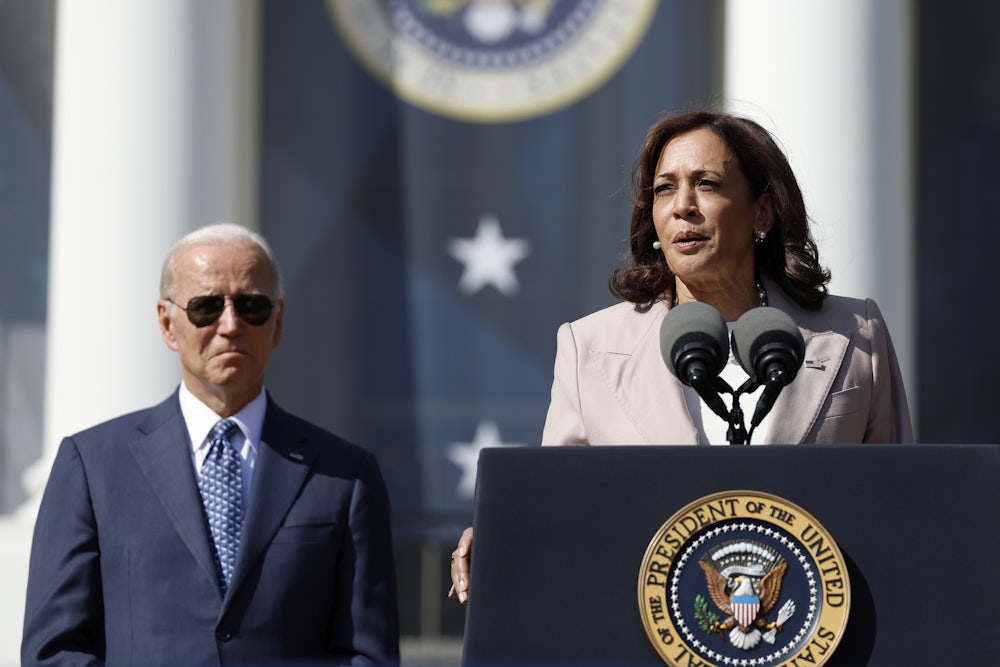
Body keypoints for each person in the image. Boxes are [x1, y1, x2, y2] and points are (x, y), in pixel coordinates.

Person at [448, 109, 913, 603]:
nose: (682, 207)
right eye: (665, 189)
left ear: (762, 211)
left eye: (707, 184)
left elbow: (901, 506)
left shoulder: (855, 333)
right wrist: (508, 536)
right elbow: (561, 509)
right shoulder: (589, 347)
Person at [22, 223, 400, 665]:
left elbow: (368, 656)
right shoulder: (91, 466)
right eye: (205, 307)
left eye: (252, 306)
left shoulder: (346, 475)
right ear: (168, 323)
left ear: (277, 323)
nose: (231, 325)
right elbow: (54, 652)